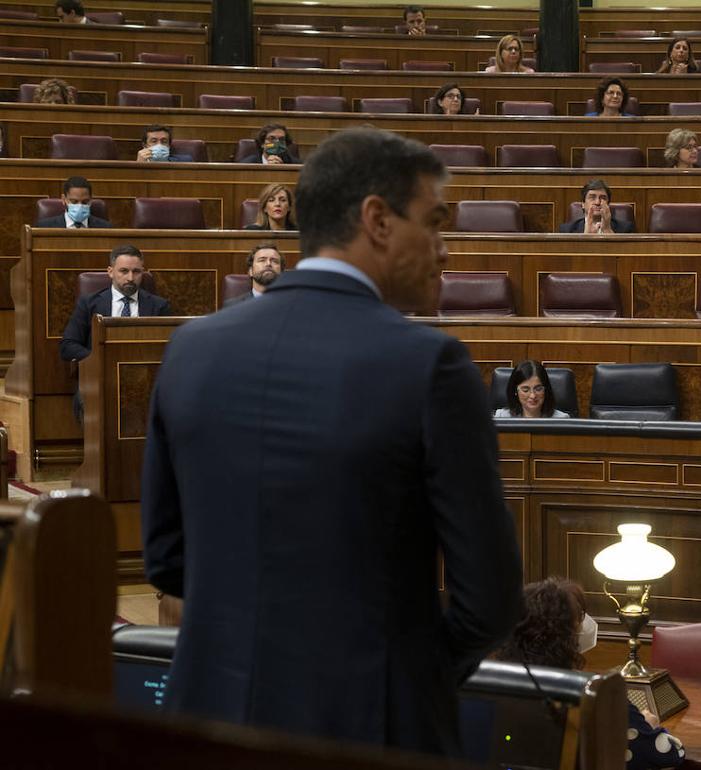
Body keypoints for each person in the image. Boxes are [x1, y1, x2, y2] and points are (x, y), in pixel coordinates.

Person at [141, 127, 524, 752]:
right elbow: (489, 600)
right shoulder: (431, 364)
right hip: (368, 730)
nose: (445, 250)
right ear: (377, 219)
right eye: (433, 222)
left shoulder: (190, 348)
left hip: (207, 716)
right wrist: (409, 674)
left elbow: (164, 557)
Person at [493, 578, 686, 770]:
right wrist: (650, 727)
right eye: (579, 621)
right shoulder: (596, 695)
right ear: (568, 637)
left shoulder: (491, 687)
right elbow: (668, 755)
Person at [61, 244, 172, 421]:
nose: (130, 278)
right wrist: (99, 359)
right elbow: (68, 346)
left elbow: (170, 349)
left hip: (146, 380)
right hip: (102, 380)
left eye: (136, 272)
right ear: (110, 272)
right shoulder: (89, 304)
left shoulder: (159, 306)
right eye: (124, 271)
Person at [493, 361, 569, 418]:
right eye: (525, 390)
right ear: (515, 391)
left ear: (546, 389)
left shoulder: (561, 419)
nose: (533, 395)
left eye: (538, 389)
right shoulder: (502, 417)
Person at [559, 179, 634, 234]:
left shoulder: (626, 229)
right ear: (583, 204)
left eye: (603, 198)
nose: (597, 202)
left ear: (608, 204)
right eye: (592, 197)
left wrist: (607, 230)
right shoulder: (567, 230)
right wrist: (585, 238)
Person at [36, 176, 111, 228]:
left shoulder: (105, 227)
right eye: (74, 202)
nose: (80, 206)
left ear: (91, 200)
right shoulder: (45, 227)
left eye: (85, 202)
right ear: (64, 199)